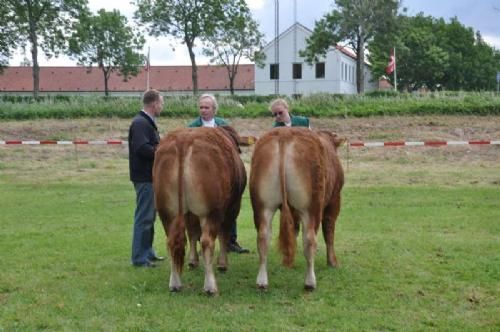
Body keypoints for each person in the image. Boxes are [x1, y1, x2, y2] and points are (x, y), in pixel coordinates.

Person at [188, 93, 249, 254]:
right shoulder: (192, 127)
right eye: (201, 107)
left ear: (214, 109)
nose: (203, 110)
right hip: (201, 174)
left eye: (206, 107)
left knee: (230, 205)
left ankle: (230, 241)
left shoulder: (223, 126)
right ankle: (204, 241)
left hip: (224, 174)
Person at [128, 89, 165, 268]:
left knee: (150, 216)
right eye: (161, 103)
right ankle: (139, 258)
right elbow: (142, 148)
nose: (162, 107)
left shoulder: (147, 123)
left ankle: (148, 252)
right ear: (154, 104)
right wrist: (162, 152)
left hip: (151, 177)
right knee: (144, 216)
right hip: (144, 177)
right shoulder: (140, 123)